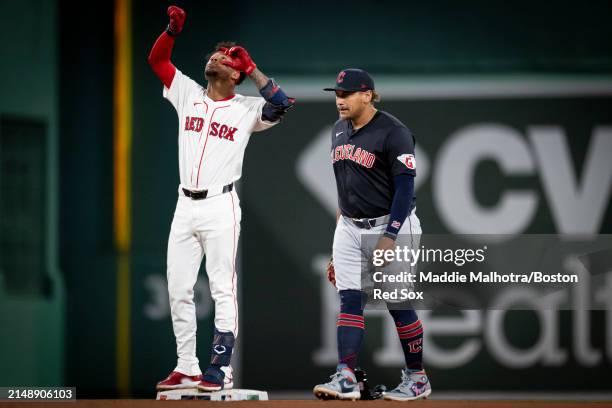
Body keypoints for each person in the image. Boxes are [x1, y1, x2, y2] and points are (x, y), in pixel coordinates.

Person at [147, 5, 294, 392]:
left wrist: (255, 68)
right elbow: (157, 59)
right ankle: (187, 366)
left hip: (220, 205)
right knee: (178, 287)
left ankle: (220, 367)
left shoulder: (246, 108)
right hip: (185, 205)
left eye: (226, 57)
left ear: (236, 73)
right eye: (214, 54)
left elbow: (282, 105)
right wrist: (172, 30)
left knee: (221, 288)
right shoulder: (187, 93)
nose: (215, 58)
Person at [313, 69, 431, 401]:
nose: (339, 100)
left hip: (392, 224)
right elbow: (344, 188)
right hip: (349, 225)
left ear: (367, 95)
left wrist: (390, 236)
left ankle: (417, 377)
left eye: (346, 94)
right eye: (337, 93)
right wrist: (338, 243)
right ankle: (346, 376)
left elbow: (406, 188)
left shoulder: (394, 132)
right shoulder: (338, 130)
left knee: (397, 303)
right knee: (350, 299)